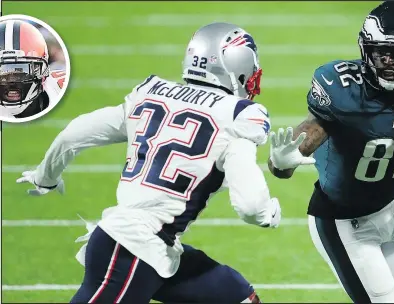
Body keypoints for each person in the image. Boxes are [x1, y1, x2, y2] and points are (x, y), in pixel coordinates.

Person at [17, 22, 280, 303]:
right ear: (235, 65)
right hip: (131, 247)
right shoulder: (237, 117)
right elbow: (251, 207)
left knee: (237, 298)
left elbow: (75, 133)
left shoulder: (151, 95)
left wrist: (45, 176)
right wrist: (270, 212)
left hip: (156, 249)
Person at [267, 1, 394, 303]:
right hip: (342, 223)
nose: (389, 62)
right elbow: (289, 159)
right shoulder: (342, 91)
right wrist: (279, 161)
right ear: (365, 49)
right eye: (381, 52)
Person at [0, 19, 65, 120]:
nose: (12, 82)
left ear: (43, 71)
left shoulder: (58, 88)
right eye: (3, 73)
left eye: (21, 72)